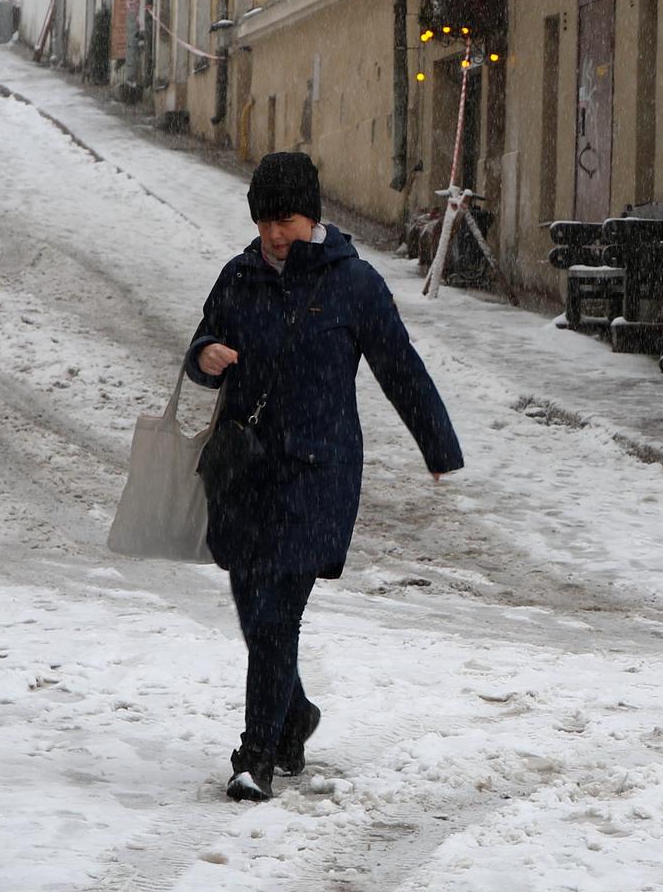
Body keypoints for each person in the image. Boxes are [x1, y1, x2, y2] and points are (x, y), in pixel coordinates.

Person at [185, 152, 464, 802]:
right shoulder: (240, 277)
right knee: (256, 614)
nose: (274, 234)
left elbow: (402, 368)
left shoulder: (353, 285)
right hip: (243, 473)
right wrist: (208, 354)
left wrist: (438, 446)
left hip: (317, 474)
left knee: (278, 618)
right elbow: (200, 348)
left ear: (311, 215)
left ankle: (255, 755)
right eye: (264, 222)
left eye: (284, 219)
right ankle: (296, 714)